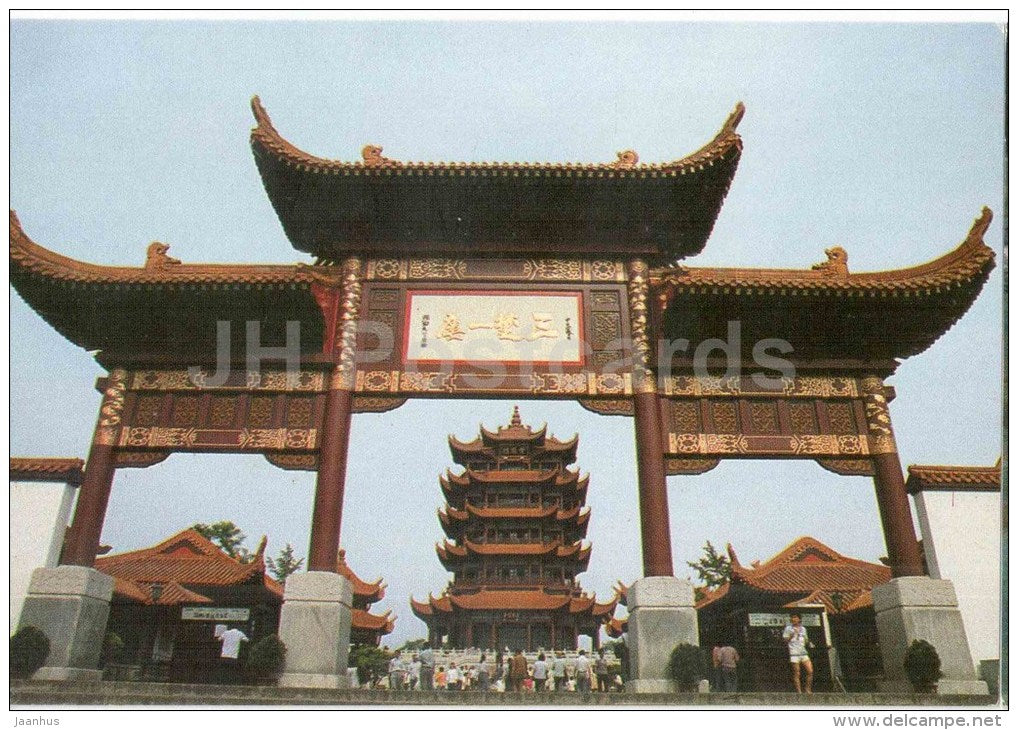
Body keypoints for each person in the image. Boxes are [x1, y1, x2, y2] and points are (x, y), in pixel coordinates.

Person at [783, 613, 814, 694]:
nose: (793, 619)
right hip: (794, 653)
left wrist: (809, 643)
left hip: (803, 653)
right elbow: (785, 641)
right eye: (792, 617)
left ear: (799, 619)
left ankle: (808, 689)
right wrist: (792, 635)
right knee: (797, 673)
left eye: (795, 617)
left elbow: (806, 640)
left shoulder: (803, 629)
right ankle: (799, 692)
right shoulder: (788, 628)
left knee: (810, 671)